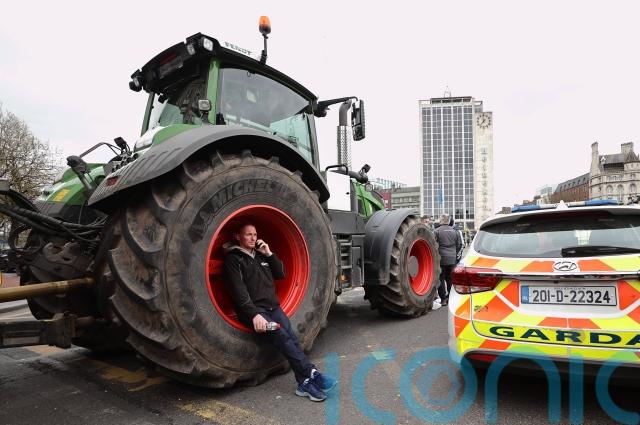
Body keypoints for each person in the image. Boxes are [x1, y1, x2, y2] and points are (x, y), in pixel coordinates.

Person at [223, 222, 337, 402]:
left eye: (255, 234)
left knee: (292, 339)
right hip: (256, 312)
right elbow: (238, 292)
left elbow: (280, 273)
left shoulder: (261, 255)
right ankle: (312, 373)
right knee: (282, 337)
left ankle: (304, 383)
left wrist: (269, 253)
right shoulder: (234, 259)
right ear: (238, 236)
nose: (253, 238)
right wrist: (254, 315)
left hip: (273, 308)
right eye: (248, 234)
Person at [435, 213, 462, 306]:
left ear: (441, 220)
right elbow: (459, 244)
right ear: (449, 221)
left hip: (441, 259)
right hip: (452, 259)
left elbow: (433, 244)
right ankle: (450, 298)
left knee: (441, 279)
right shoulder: (455, 232)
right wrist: (454, 253)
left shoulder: (436, 231)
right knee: (450, 279)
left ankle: (443, 299)